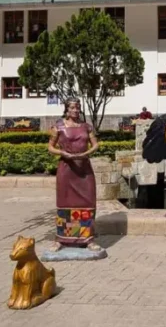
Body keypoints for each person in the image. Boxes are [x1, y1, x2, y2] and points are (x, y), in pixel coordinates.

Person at [47, 98, 102, 252]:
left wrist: (86, 153)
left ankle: (88, 238)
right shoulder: (58, 127)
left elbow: (96, 145)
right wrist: (62, 152)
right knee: (65, 202)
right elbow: (50, 147)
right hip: (66, 169)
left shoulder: (86, 127)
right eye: (72, 107)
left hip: (84, 169)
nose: (76, 110)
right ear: (66, 109)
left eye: (78, 107)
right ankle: (61, 238)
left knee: (87, 202)